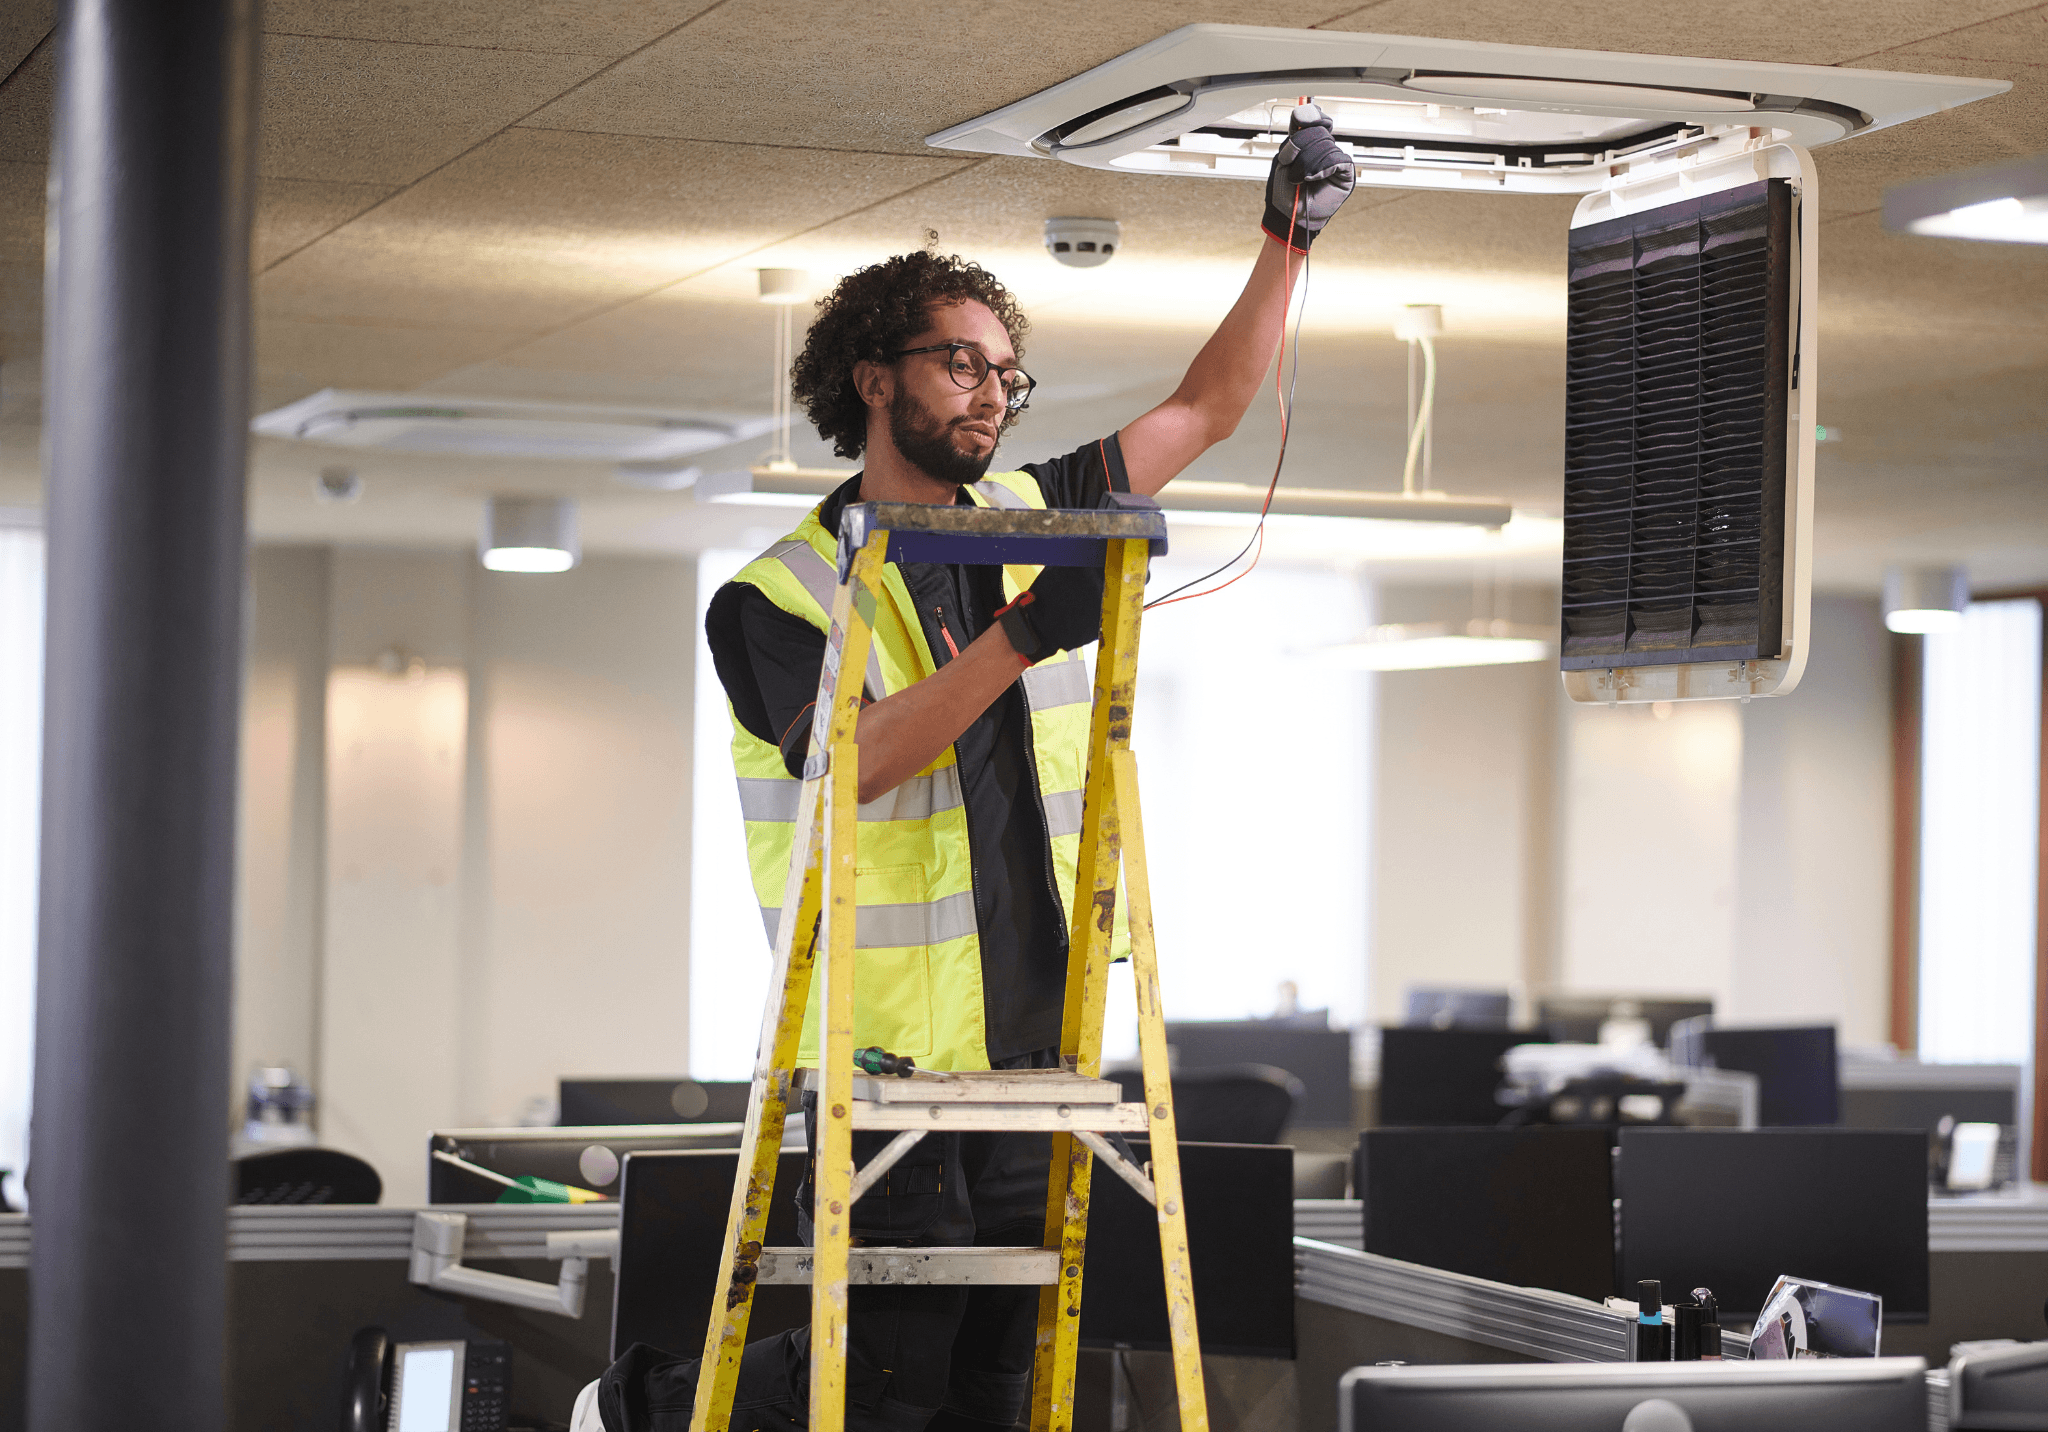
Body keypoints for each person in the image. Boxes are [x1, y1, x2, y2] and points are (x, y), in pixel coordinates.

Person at [595, 109, 1354, 1432]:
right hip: (884, 1056)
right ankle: (644, 1408)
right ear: (873, 380)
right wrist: (1022, 635)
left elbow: (1205, 408)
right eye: (959, 364)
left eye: (1007, 372)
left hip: (1040, 1048)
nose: (991, 392)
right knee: (885, 1388)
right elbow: (856, 764)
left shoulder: (1031, 521)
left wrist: (1286, 241)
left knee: (995, 1393)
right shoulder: (778, 595)